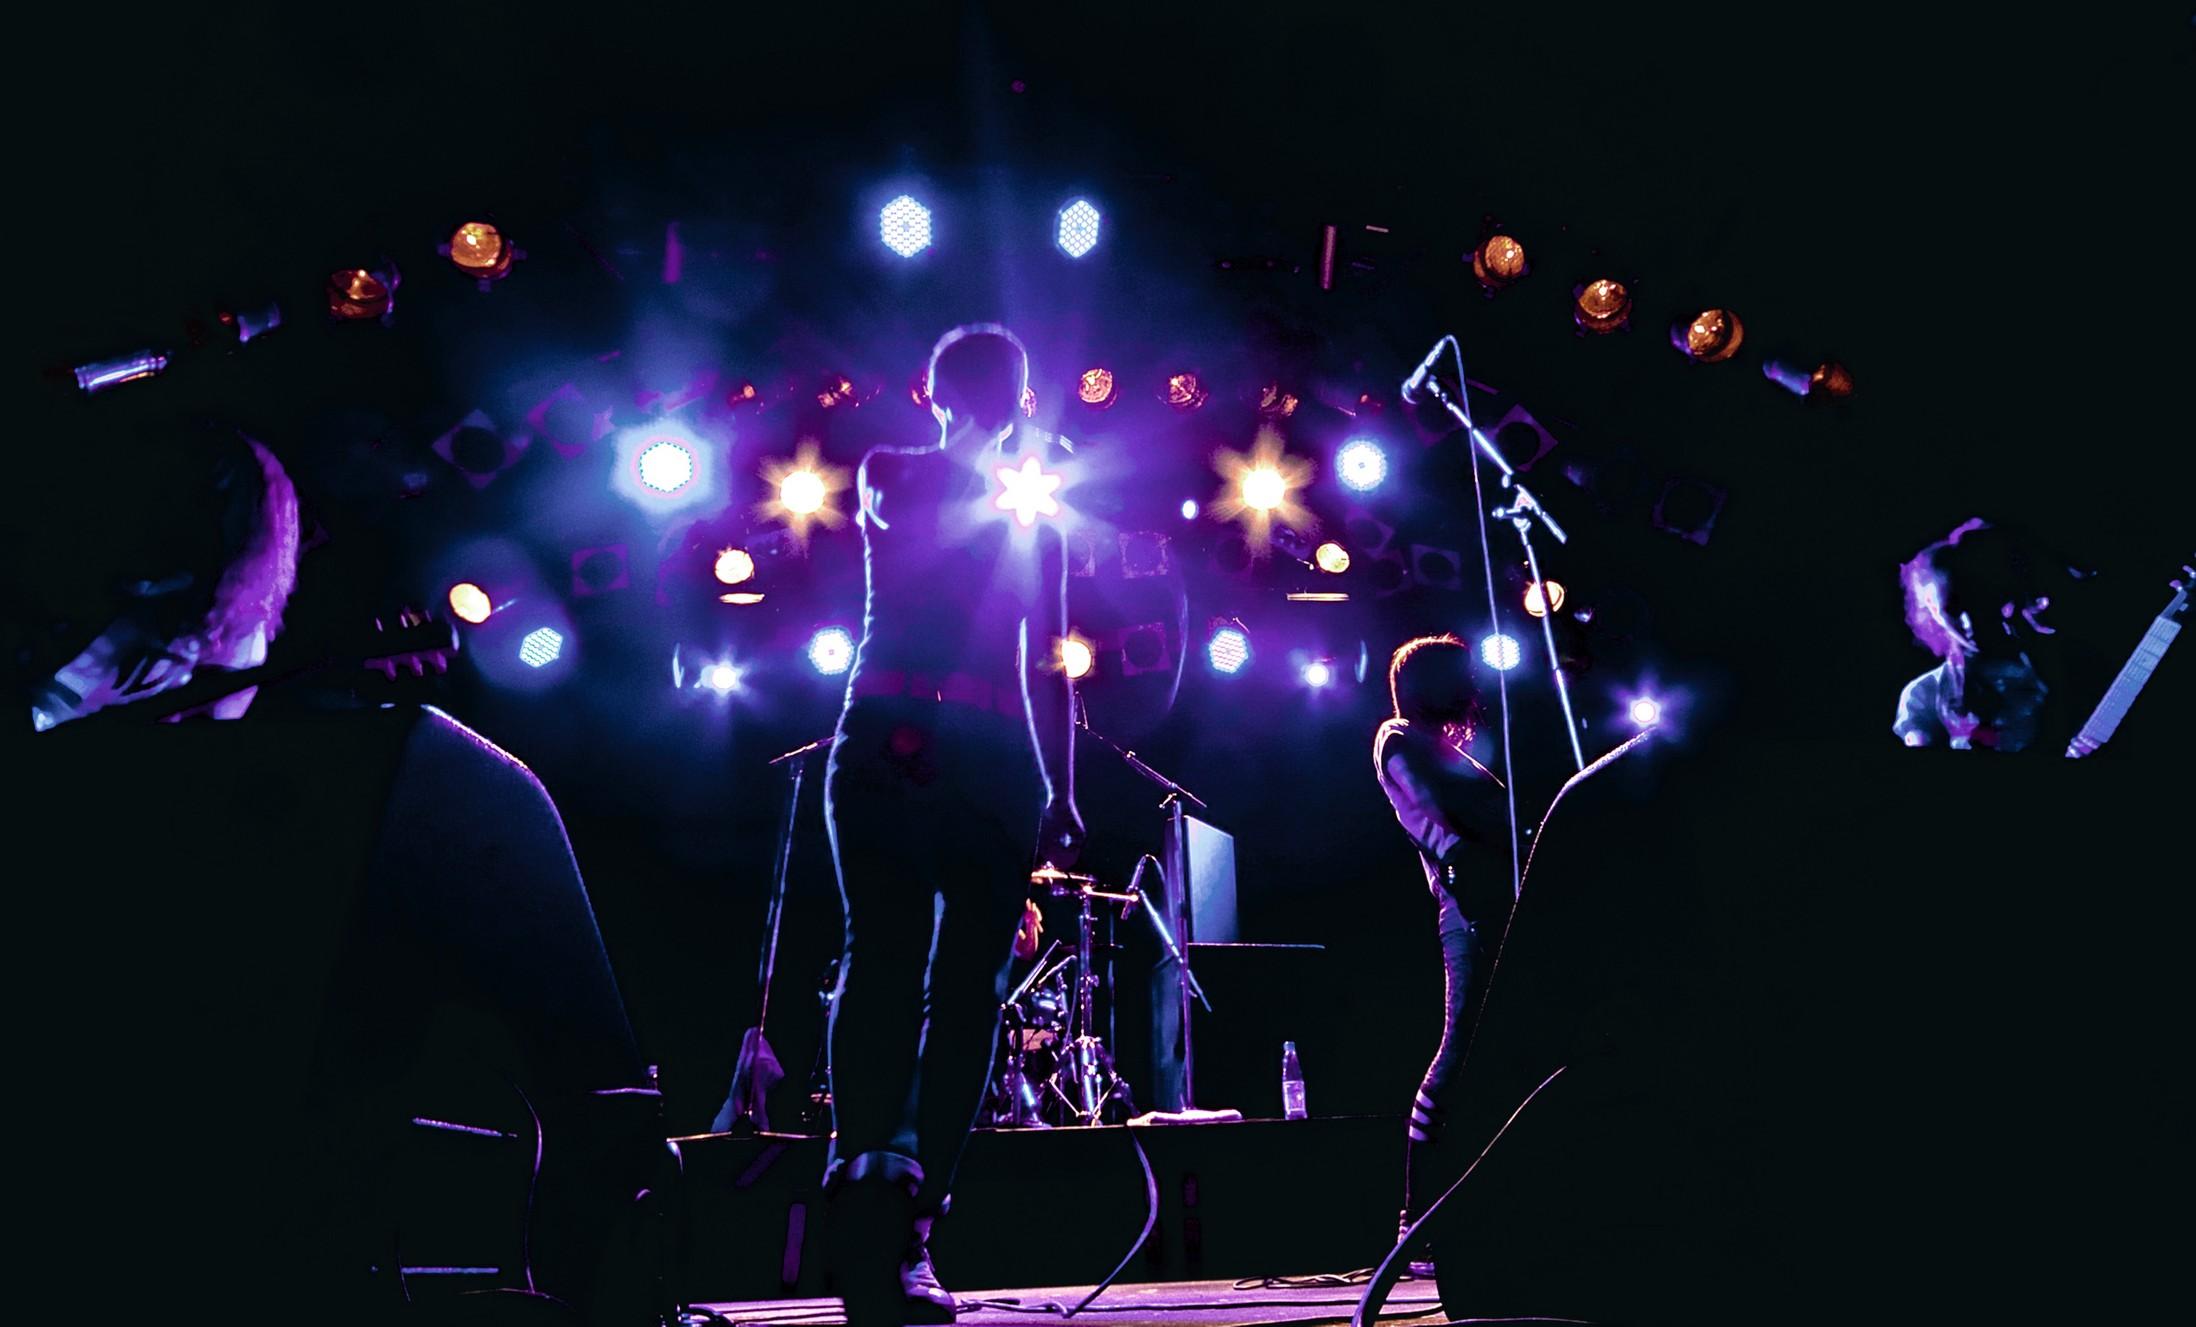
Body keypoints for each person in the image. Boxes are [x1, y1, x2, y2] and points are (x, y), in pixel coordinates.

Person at [823, 324, 1082, 1325]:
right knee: (884, 961)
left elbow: (1048, 662)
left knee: (971, 989)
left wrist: (1059, 790)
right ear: (936, 398)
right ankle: (869, 1192)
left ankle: (916, 1217)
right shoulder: (893, 471)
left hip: (994, 756)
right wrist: (982, 449)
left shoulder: (1033, 519)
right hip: (888, 739)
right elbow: (922, 522)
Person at [1372, 634, 1510, 1272]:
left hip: (1494, 902)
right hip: (1468, 907)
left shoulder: (1444, 749)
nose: (1473, 690)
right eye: (1461, 678)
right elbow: (1440, 815)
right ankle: (1415, 1223)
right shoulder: (1398, 739)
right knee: (1455, 1055)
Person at [1893, 518, 2073, 752]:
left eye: (1978, 601)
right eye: (1952, 609)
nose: (1969, 622)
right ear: (1932, 611)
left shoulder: (2058, 669)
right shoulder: (1923, 694)